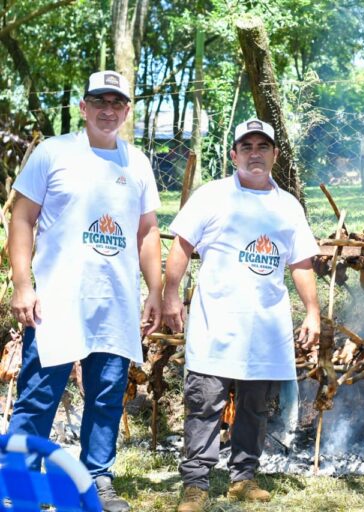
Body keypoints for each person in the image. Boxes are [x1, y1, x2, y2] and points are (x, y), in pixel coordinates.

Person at [8, 70, 162, 512]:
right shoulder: (54, 153)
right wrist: (23, 284)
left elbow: (147, 230)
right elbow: (21, 218)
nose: (108, 110)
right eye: (99, 101)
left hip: (115, 302)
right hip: (55, 302)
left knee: (106, 396)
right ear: (83, 106)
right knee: (39, 395)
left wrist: (155, 290)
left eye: (117, 103)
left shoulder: (137, 163)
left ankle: (95, 480)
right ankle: (20, 486)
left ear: (127, 110)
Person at [162, 118, 321, 512]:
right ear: (233, 155)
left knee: (254, 406)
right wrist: (169, 294)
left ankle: (243, 477)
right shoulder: (212, 197)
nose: (254, 153)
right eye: (246, 146)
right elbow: (181, 245)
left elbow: (301, 263)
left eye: (262, 146)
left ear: (274, 155)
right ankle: (196, 484)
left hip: (265, 327)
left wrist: (313, 312)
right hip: (215, 324)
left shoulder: (288, 206)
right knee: (205, 404)